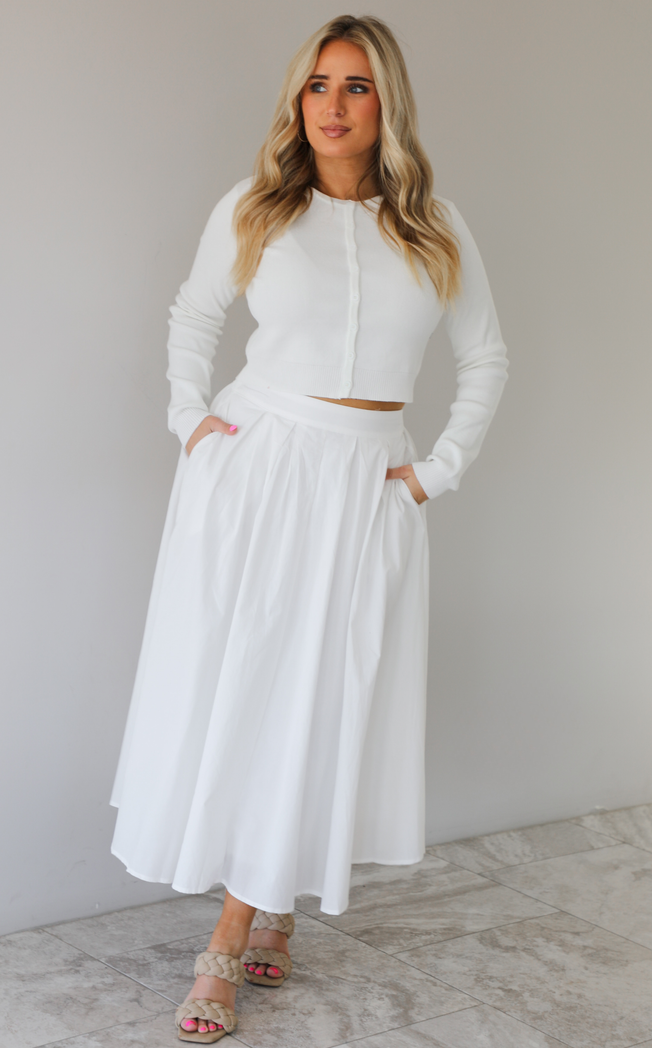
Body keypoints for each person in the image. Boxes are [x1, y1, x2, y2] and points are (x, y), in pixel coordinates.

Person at [109, 13, 508, 1043]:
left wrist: (430, 477)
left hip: (368, 483)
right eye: (318, 85)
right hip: (257, 472)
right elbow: (194, 317)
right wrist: (194, 427)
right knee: (250, 690)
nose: (333, 105)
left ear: (388, 107)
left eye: (357, 87)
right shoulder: (255, 209)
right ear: (298, 101)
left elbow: (487, 360)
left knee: (327, 695)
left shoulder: (436, 228)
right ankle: (231, 937)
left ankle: (269, 897)